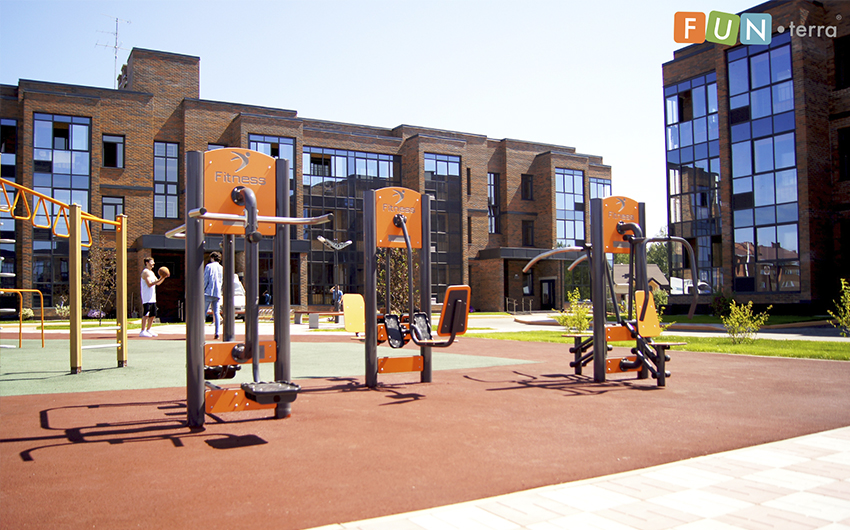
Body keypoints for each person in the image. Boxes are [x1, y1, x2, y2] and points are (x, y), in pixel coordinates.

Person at [140, 257, 167, 337]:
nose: (153, 264)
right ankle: (142, 331)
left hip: (152, 297)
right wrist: (159, 279)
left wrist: (163, 277)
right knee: (146, 314)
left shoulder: (151, 272)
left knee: (153, 315)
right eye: (152, 262)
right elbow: (149, 284)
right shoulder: (145, 272)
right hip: (146, 298)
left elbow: (157, 283)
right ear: (147, 263)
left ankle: (148, 329)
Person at [203, 251, 224, 339]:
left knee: (203, 312)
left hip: (208, 292)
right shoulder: (221, 268)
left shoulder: (208, 266)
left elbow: (205, 279)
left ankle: (201, 332)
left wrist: (202, 289)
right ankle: (217, 333)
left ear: (212, 258)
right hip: (217, 292)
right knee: (216, 313)